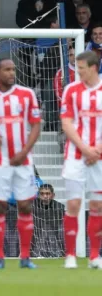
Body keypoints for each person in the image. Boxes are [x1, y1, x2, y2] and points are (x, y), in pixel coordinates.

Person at [0, 58, 41, 269]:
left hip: (23, 160)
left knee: (25, 205)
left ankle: (25, 257)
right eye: (7, 70)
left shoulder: (26, 95)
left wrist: (24, 151)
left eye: (13, 69)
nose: (11, 73)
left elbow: (36, 125)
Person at [60, 51, 102, 269]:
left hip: (99, 158)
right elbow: (66, 123)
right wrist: (85, 149)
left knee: (97, 206)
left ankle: (94, 256)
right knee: (74, 203)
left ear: (93, 68)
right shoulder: (71, 90)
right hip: (75, 156)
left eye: (82, 68)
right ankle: (70, 256)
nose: (78, 72)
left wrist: (96, 150)